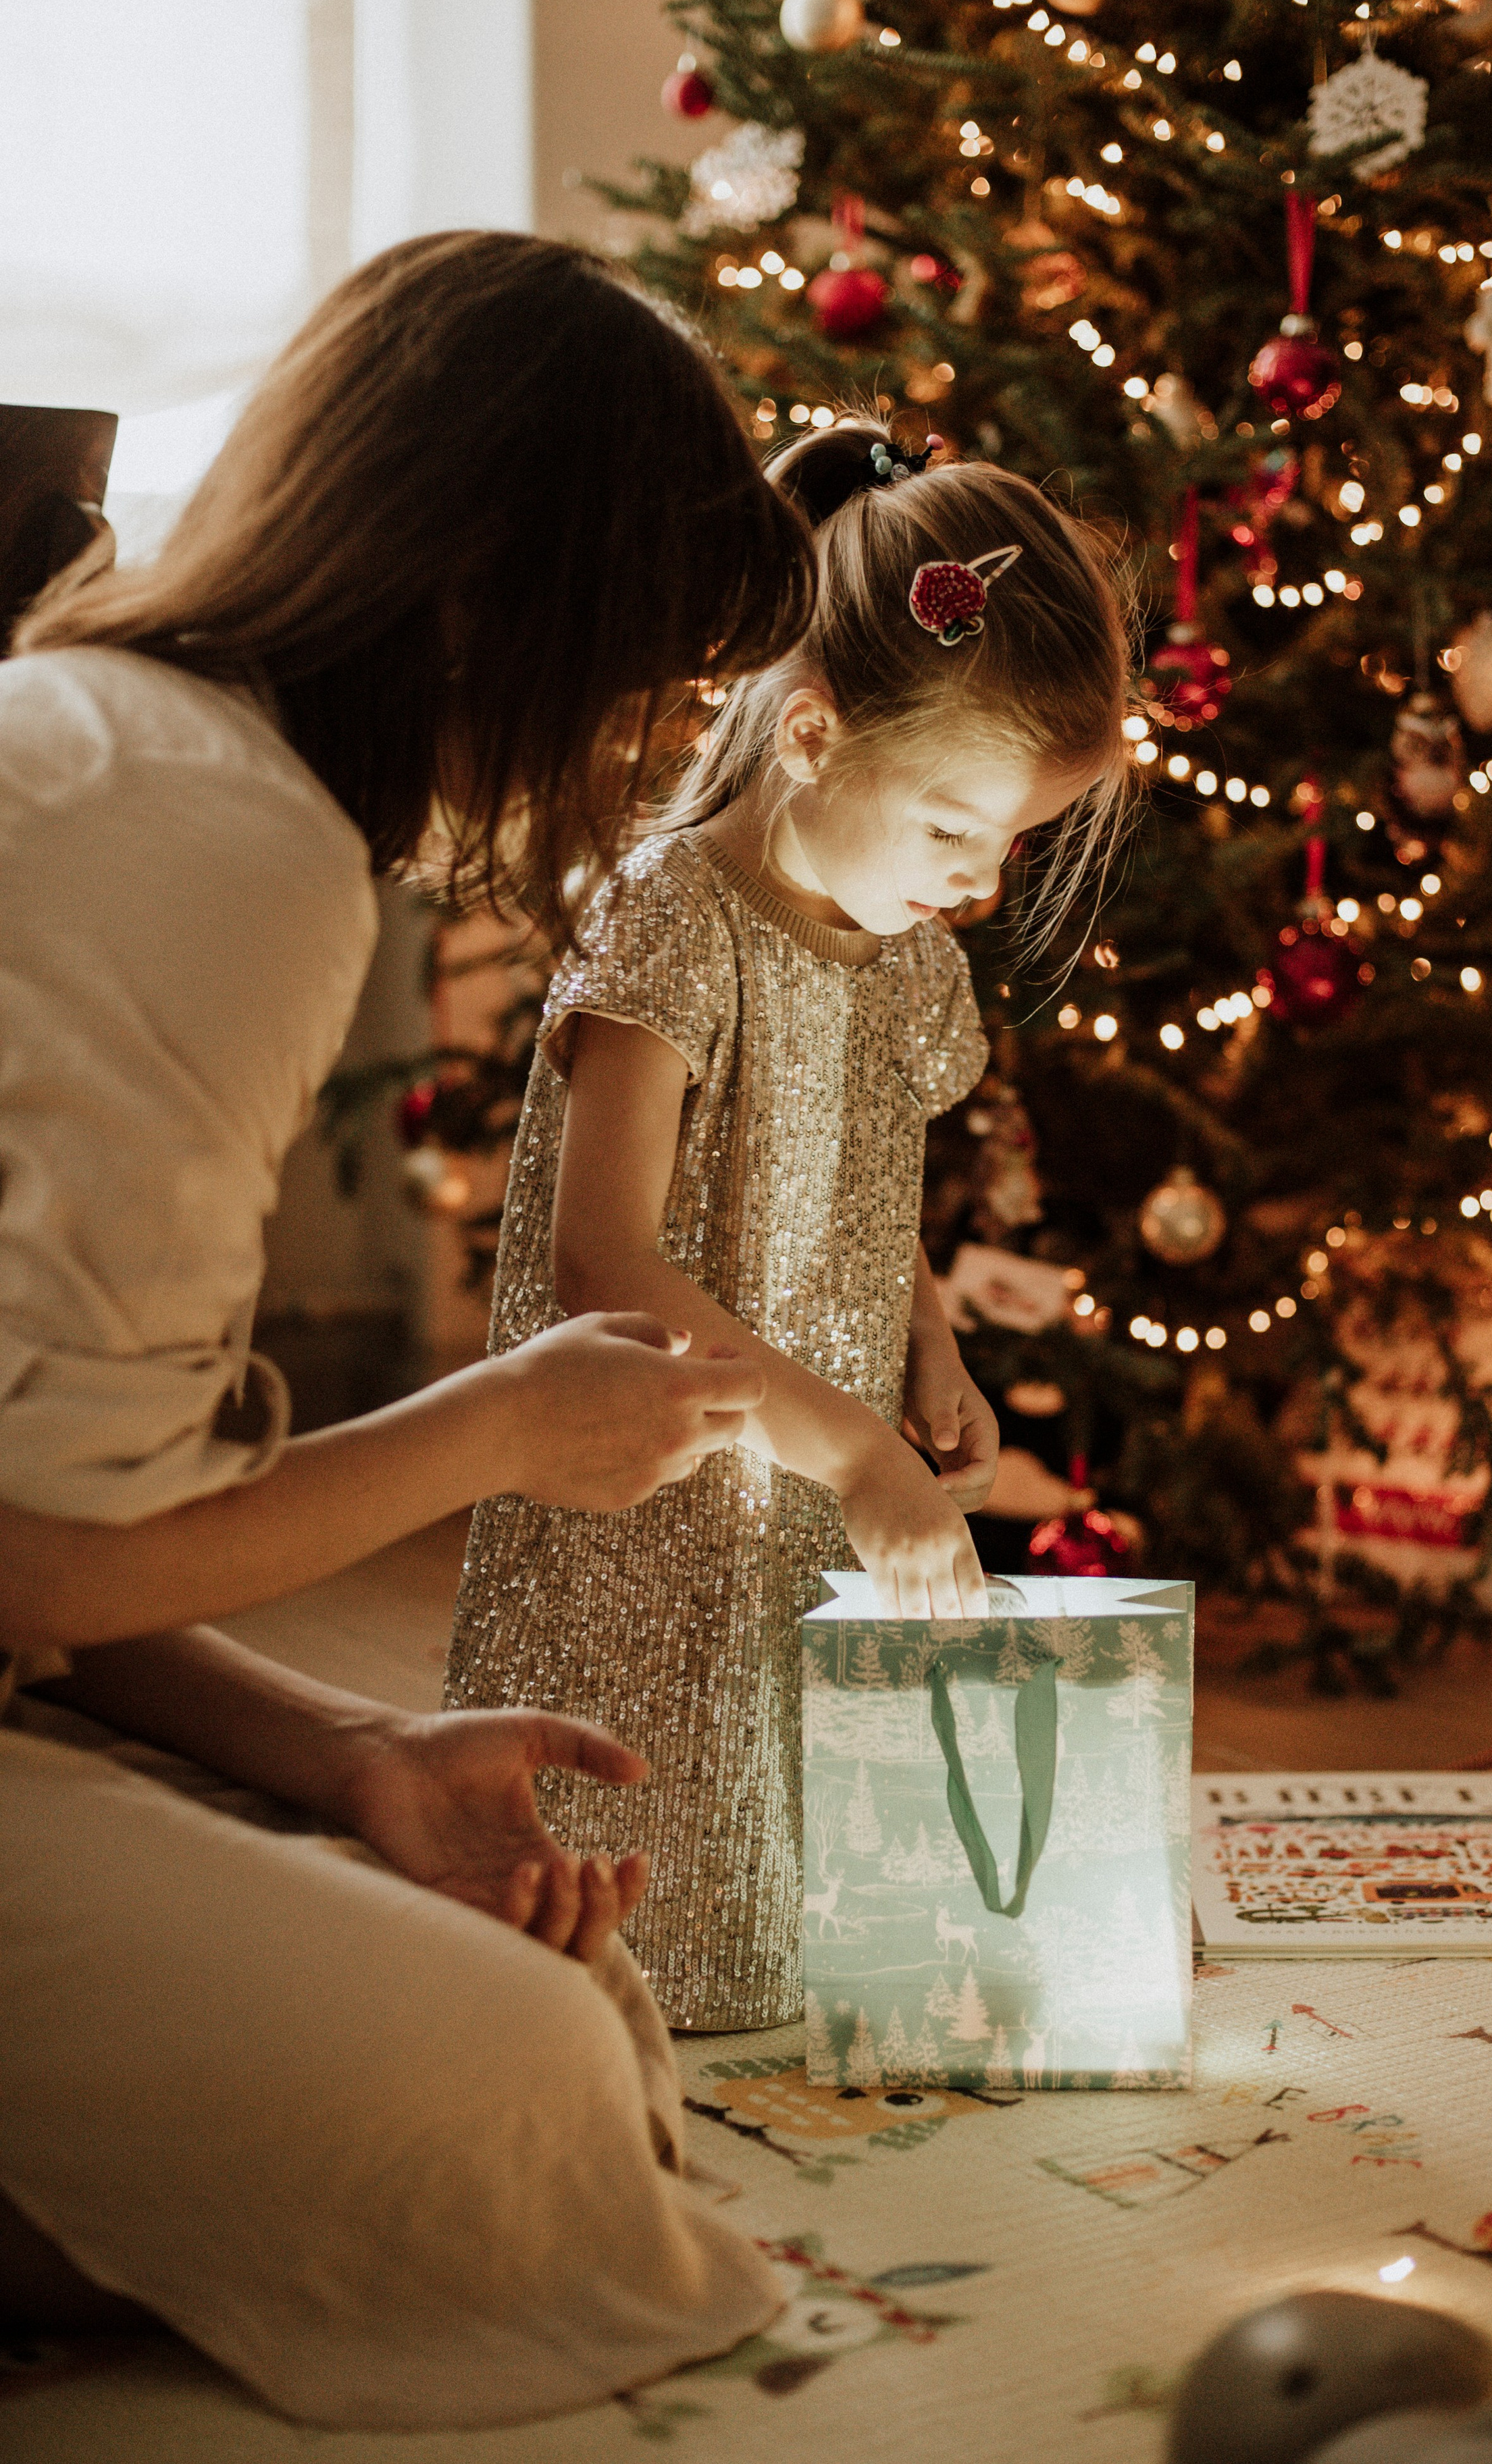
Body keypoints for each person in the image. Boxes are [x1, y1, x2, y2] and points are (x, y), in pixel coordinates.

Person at [0, 231, 821, 2430]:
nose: (638, 765)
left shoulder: (105, 734)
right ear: (490, 596)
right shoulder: (206, 831)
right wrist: (508, 1427)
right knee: (524, 2091)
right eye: (641, 695)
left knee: (543, 2009)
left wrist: (343, 1752)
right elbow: (59, 1562)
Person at [446, 419, 1135, 2033]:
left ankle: (779, 1994)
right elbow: (603, 1265)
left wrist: (927, 1335)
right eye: (954, 827)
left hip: (807, 1444)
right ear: (813, 734)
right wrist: (853, 1451)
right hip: (650, 1477)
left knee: (786, 1782)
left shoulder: (901, 961)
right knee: (632, 1837)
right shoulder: (670, 916)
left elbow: (850, 1180)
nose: (976, 881)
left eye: (1011, 844)